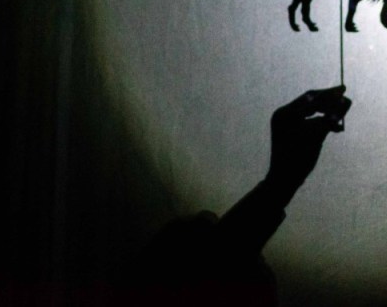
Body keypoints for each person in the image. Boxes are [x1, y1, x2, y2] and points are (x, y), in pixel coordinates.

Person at [120, 86, 351, 305]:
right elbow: (220, 260)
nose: (209, 216)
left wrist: (280, 184)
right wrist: (280, 184)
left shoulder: (148, 285)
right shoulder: (236, 277)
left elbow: (217, 259)